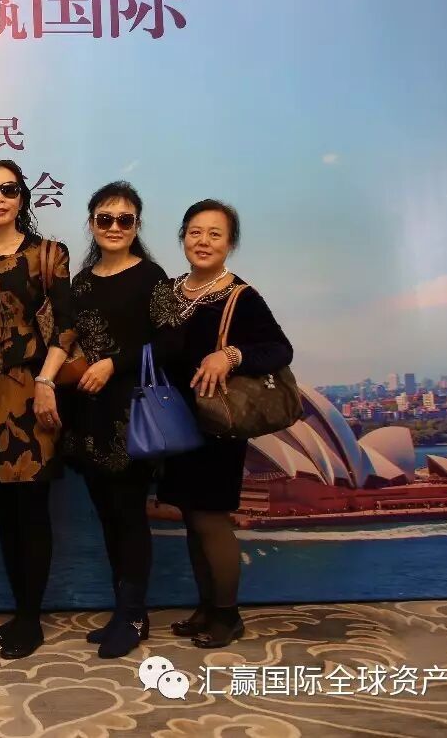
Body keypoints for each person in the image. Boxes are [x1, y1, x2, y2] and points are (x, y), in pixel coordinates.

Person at [150, 199, 293, 648]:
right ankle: (206, 607)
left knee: (211, 519)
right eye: (195, 232)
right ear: (182, 238)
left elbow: (280, 350)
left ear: (230, 243)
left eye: (215, 234)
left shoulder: (241, 297)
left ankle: (228, 616)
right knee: (191, 518)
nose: (203, 241)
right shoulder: (168, 291)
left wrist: (230, 355)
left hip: (217, 426)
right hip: (174, 422)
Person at [0, 159, 76, 660]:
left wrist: (46, 381)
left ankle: (31, 620)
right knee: (4, 510)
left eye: (8, 189)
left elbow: (67, 325)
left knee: (32, 508)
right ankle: (19, 612)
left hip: (34, 391)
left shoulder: (48, 254)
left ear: (22, 197)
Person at [59, 182, 168, 658]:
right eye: (105, 218)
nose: (115, 227)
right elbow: (66, 339)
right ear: (92, 224)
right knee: (106, 515)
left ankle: (134, 615)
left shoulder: (151, 277)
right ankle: (122, 610)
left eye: (125, 219)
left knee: (129, 516)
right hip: (88, 413)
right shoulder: (82, 282)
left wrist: (113, 364)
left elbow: (169, 344)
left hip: (133, 413)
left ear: (137, 225)